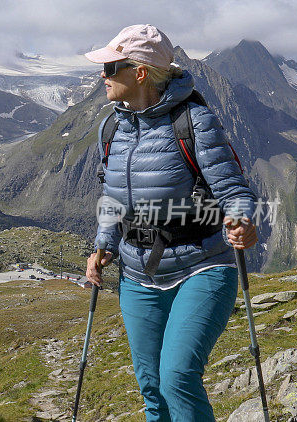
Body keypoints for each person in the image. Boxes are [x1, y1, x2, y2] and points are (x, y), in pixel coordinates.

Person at [83, 25, 258, 421]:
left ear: (140, 72)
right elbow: (112, 198)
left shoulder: (195, 122)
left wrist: (242, 220)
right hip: (137, 276)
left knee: (176, 377)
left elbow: (234, 189)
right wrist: (103, 247)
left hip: (202, 266)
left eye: (111, 66)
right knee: (152, 390)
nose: (103, 75)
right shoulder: (110, 128)